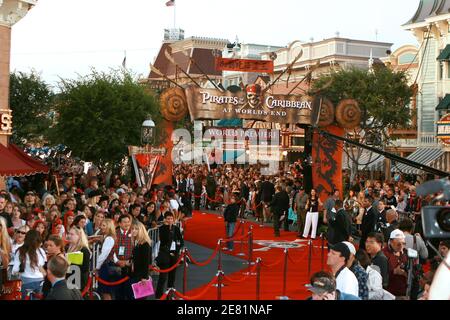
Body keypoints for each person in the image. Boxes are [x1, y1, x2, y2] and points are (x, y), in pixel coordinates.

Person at [155, 211, 184, 299]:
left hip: (174, 254)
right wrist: (169, 228)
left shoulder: (176, 228)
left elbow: (181, 241)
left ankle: (170, 294)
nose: (170, 220)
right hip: (164, 254)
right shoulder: (162, 229)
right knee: (163, 276)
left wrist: (177, 250)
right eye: (168, 219)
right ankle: (159, 295)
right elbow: (163, 240)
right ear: (165, 219)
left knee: (172, 276)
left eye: (171, 219)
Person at [12, 230, 47, 299]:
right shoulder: (41, 251)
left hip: (25, 282)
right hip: (40, 282)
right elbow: (42, 268)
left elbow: (15, 270)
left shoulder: (20, 251)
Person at [128, 221, 152, 299]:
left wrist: (144, 277)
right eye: (132, 229)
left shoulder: (145, 244)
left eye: (136, 229)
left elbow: (146, 262)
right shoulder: (135, 242)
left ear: (141, 230)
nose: (134, 230)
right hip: (135, 274)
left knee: (139, 297)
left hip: (140, 276)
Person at [95, 219, 117, 300]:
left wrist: (97, 267)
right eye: (101, 225)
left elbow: (103, 255)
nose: (101, 227)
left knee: (105, 292)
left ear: (109, 227)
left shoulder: (109, 239)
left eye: (104, 225)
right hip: (109, 266)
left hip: (106, 267)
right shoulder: (109, 238)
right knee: (107, 292)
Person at [382, 229, 409, 298]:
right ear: (391, 242)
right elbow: (381, 274)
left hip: (403, 291)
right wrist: (394, 272)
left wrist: (406, 274)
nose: (401, 246)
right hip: (389, 293)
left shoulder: (406, 253)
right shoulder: (384, 254)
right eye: (398, 244)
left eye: (403, 243)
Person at [113, 214, 134, 300]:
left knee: (129, 290)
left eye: (128, 222)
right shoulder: (114, 233)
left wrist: (131, 262)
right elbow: (111, 250)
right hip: (117, 265)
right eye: (124, 222)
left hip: (130, 265)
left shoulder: (133, 232)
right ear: (120, 223)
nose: (127, 224)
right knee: (118, 290)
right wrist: (117, 261)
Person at [66, 227, 91, 291]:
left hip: (78, 281)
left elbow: (85, 269)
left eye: (72, 234)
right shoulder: (68, 248)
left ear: (79, 236)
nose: (69, 236)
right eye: (69, 234)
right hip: (68, 278)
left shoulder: (84, 250)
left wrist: (71, 263)